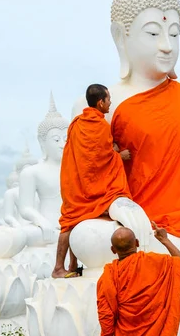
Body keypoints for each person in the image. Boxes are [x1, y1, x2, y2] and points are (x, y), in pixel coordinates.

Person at [52, 84, 133, 278]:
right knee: (70, 223)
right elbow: (101, 157)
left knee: (72, 222)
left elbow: (82, 154)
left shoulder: (77, 122)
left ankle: (71, 265)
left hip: (75, 182)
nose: (110, 102)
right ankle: (57, 268)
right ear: (100, 102)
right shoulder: (99, 125)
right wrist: (119, 156)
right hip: (89, 185)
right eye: (108, 99)